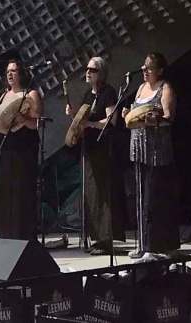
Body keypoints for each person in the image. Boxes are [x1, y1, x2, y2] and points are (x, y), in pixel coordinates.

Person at [66, 56, 126, 252]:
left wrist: (90, 124)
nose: (88, 72)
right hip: (89, 147)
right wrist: (73, 116)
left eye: (92, 70)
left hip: (103, 148)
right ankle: (95, 237)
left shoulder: (108, 93)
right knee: (91, 194)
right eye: (87, 69)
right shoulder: (88, 95)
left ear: (101, 73)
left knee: (102, 194)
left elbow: (111, 121)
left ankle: (105, 239)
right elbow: (82, 120)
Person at [125, 52, 179, 261]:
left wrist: (153, 120)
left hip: (157, 150)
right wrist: (128, 115)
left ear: (160, 70)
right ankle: (143, 243)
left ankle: (156, 245)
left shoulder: (165, 88)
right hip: (138, 149)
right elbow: (135, 112)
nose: (145, 70)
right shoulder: (140, 88)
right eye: (144, 67)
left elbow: (169, 117)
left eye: (149, 67)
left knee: (154, 198)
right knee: (140, 197)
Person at [0, 58, 42, 240]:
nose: (10, 74)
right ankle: (6, 234)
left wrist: (23, 120)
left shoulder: (31, 93)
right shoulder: (4, 95)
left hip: (24, 149)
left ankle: (24, 235)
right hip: (6, 147)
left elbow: (38, 122)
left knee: (22, 191)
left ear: (21, 74)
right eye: (8, 72)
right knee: (6, 192)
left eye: (13, 71)